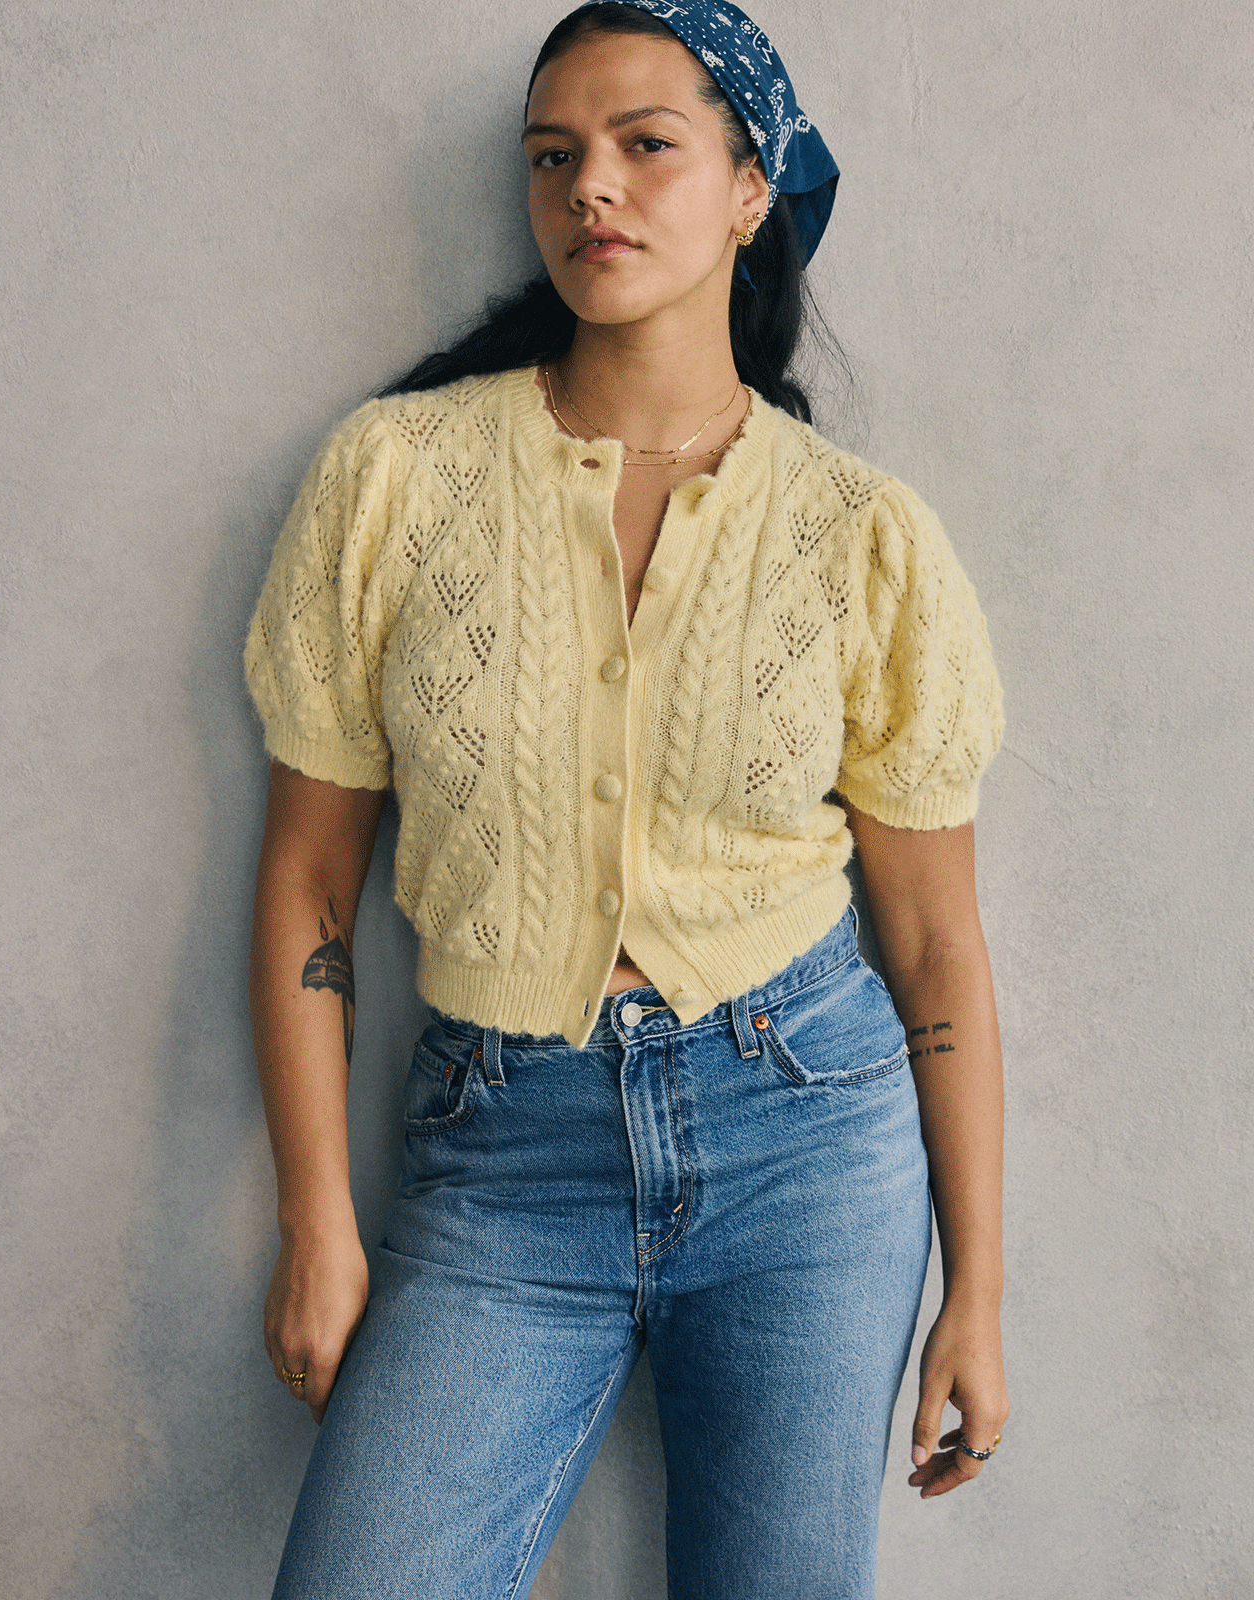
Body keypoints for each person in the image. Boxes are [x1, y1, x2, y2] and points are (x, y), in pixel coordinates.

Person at [244, 3, 1009, 1595]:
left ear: (751, 188)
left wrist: (980, 1291)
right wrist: (318, 1219)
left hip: (809, 1140)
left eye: (645, 145)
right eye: (553, 157)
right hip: (499, 1156)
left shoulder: (860, 535)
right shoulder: (394, 478)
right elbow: (311, 882)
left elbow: (937, 944)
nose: (590, 186)